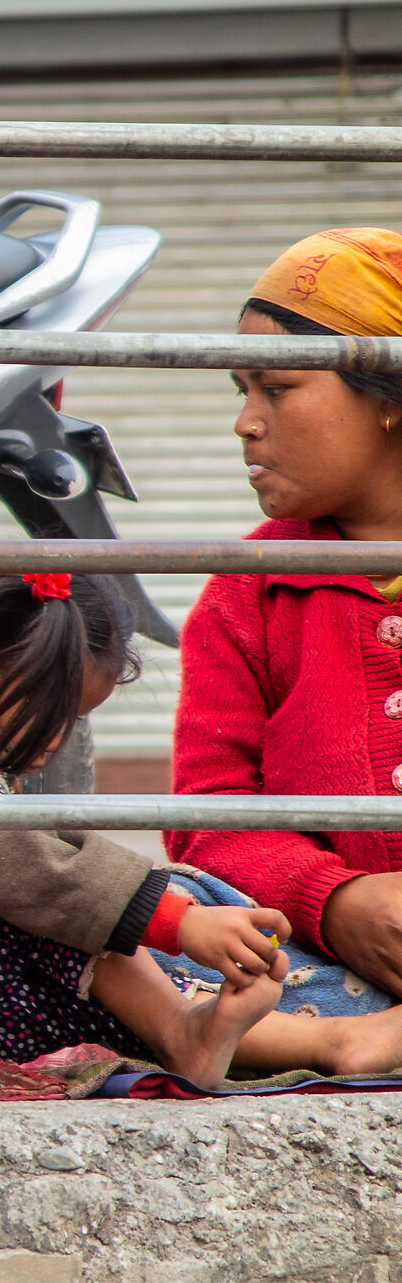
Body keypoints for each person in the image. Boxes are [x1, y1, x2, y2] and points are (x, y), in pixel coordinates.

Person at [0, 572, 402, 1085]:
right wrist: (176, 920)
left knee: (99, 919)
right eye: (51, 715)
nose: (58, 742)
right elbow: (24, 864)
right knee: (72, 909)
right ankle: (313, 1040)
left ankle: (210, 1033)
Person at [172, 228, 402, 997]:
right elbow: (206, 818)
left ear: (387, 396)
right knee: (153, 934)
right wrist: (332, 899)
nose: (246, 421)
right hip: (328, 963)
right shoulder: (248, 594)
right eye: (241, 390)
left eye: (277, 387)